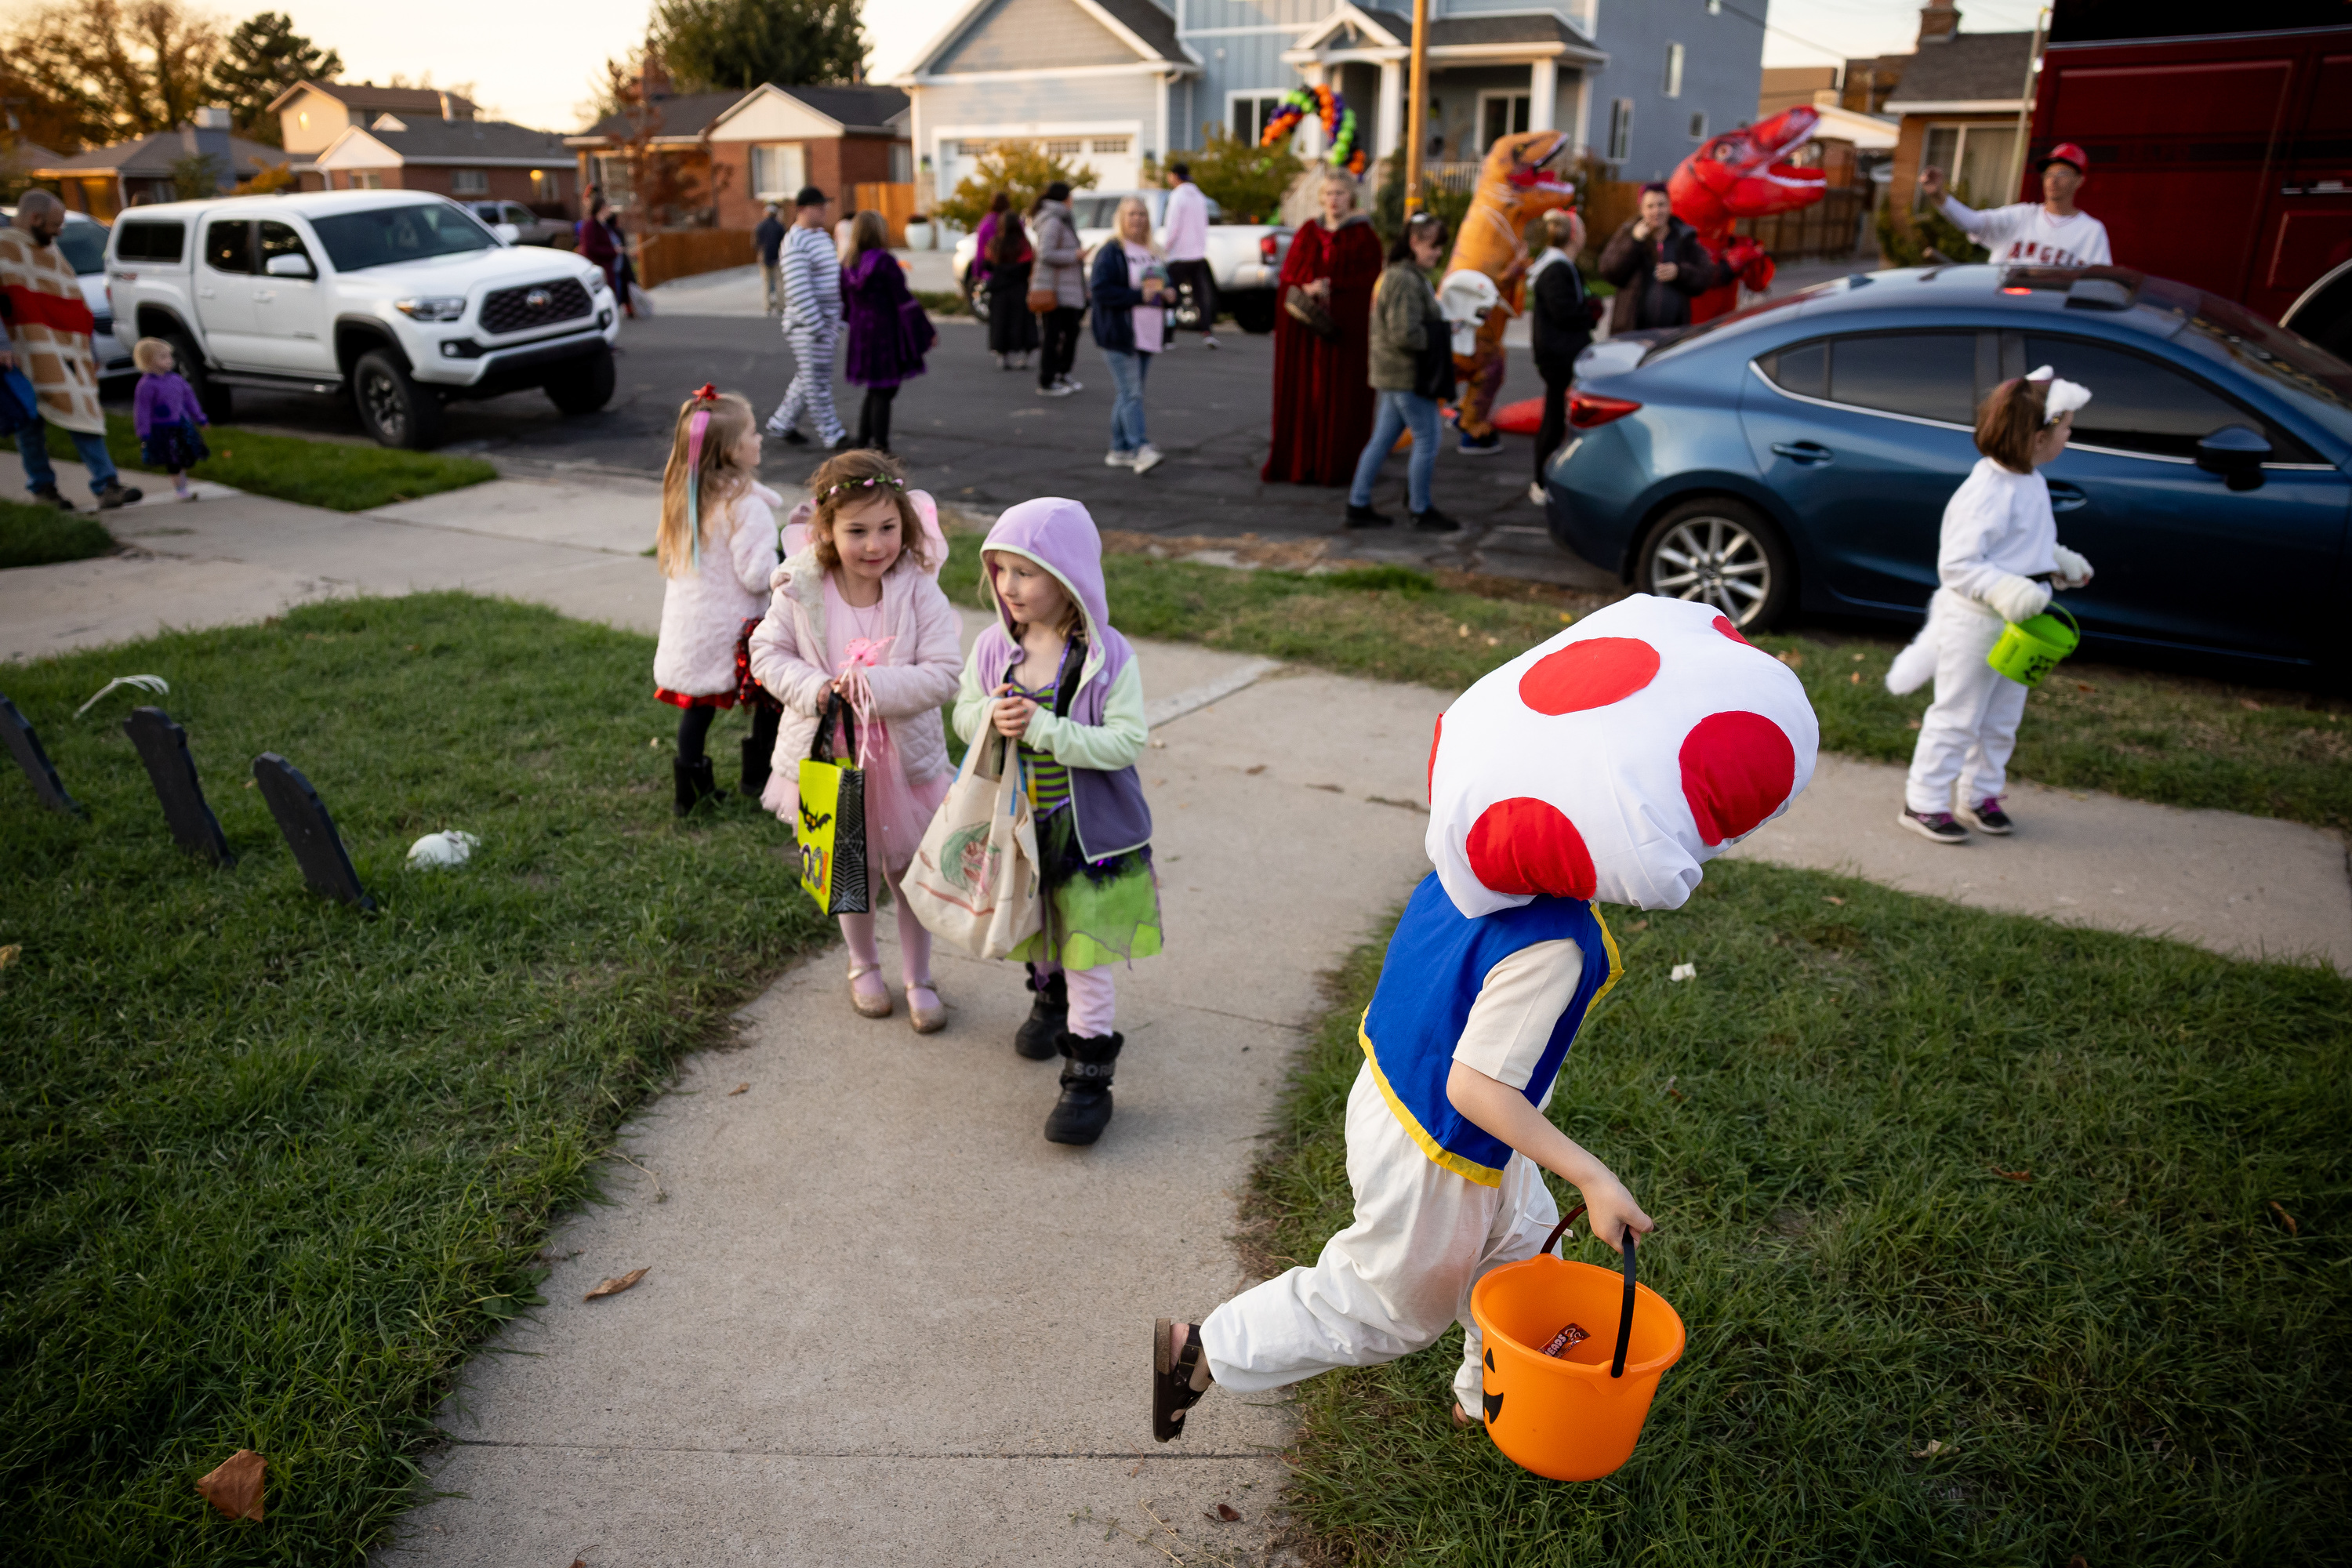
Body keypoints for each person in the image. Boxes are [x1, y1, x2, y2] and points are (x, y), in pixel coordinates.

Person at [1150, 593, 1819, 1443]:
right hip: (1437, 1141)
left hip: (1393, 1089)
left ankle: (1487, 1394)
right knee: (1389, 1306)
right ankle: (1199, 1350)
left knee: (1526, 1246)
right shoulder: (1553, 945)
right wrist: (1594, 1175)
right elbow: (1478, 1086)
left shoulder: (1467, 859)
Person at [952, 498, 1158, 1145]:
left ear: (1068, 577)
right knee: (1036, 927)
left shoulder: (1108, 658)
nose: (1007, 587)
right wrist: (989, 714)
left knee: (1087, 949)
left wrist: (1046, 728)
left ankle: (1087, 1079)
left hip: (1090, 835)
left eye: (1024, 572)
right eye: (1000, 571)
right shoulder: (993, 648)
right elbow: (961, 712)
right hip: (1020, 828)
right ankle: (1049, 996)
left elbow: (1126, 741)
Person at [750, 450, 962, 1033]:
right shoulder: (800, 590)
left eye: (888, 528)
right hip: (827, 751)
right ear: (825, 531)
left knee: (910, 872)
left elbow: (946, 670)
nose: (876, 545)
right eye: (857, 531)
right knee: (848, 867)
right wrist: (819, 689)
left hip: (905, 762)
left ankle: (919, 976)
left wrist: (876, 686)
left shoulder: (918, 589)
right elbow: (767, 654)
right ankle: (862, 964)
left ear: (906, 525)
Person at [1887, 368, 2096, 844]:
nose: (2069, 435)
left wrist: (2058, 563)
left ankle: (1981, 795)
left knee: (2002, 719)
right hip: (1976, 623)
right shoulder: (1986, 491)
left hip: (2022, 627)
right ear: (2038, 436)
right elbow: (1957, 565)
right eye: (2066, 427)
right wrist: (2009, 591)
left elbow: (2026, 544)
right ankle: (1923, 802)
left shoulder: (2031, 481)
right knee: (1958, 715)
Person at [651, 387, 786, 815]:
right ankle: (759, 775)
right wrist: (786, 566)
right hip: (737, 630)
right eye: (753, 431)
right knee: (771, 695)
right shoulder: (746, 507)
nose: (760, 438)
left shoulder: (686, 498)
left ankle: (689, 792)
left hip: (694, 630)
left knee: (698, 709)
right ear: (732, 449)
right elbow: (755, 574)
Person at [0, 191, 140, 511]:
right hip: (23, 350)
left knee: (83, 411)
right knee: (29, 422)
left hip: (66, 349)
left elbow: (69, 297)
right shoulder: (5, 247)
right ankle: (44, 490)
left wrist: (86, 348)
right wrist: (3, 345)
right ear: (35, 219)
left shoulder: (49, 249)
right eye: (54, 225)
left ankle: (107, 485)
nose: (59, 232)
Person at [1262, 172, 1381, 486]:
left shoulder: (1364, 237)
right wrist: (1305, 289)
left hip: (1344, 337)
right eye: (1329, 193)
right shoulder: (1307, 233)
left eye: (1340, 193)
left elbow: (1369, 284)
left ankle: (1338, 464)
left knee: (1341, 399)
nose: (1333, 199)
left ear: (1351, 197)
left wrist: (1332, 287)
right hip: (1307, 336)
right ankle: (1302, 461)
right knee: (1307, 398)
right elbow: (1289, 277)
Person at [1345, 212, 1456, 533]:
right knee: (1427, 440)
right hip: (1407, 376)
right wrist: (1440, 336)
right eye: (1433, 246)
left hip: (1393, 374)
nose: (1438, 253)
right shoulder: (1406, 280)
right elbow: (1404, 333)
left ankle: (1358, 503)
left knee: (1381, 441)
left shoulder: (1405, 275)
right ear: (1414, 243)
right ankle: (1420, 509)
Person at [1920, 143, 2111, 269]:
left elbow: (2100, 288)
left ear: (2079, 181)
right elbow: (1972, 222)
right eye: (2049, 173)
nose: (2053, 180)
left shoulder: (2091, 232)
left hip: (2050, 322)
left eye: (2062, 174)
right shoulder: (2021, 216)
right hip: (2005, 314)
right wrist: (1939, 196)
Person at [766, 185, 851, 450]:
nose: (825, 210)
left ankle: (781, 424)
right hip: (808, 326)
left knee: (808, 378)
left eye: (825, 205)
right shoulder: (795, 242)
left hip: (828, 321)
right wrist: (818, 327)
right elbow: (798, 289)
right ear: (802, 210)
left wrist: (838, 318)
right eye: (819, 206)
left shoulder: (821, 237)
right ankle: (833, 434)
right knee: (818, 380)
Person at [840, 210, 932, 455]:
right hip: (884, 331)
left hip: (861, 332)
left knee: (876, 387)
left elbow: (844, 303)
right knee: (885, 388)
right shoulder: (884, 262)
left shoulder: (849, 263)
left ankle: (864, 440)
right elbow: (903, 300)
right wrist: (925, 331)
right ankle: (880, 446)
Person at [1091, 195, 1169, 475]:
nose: (1138, 219)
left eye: (1142, 214)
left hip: (1148, 331)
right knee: (1132, 393)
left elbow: (1161, 284)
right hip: (1119, 332)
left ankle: (1119, 449)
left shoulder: (1153, 249)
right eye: (1132, 214)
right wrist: (1138, 295)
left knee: (1129, 394)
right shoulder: (1111, 251)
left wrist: (1167, 294)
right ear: (1121, 219)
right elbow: (1099, 290)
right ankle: (1140, 448)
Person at [1526, 208, 1595, 506]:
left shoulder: (1557, 266)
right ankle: (1541, 481)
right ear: (1574, 236)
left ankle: (1547, 478)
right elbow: (1564, 312)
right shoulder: (1558, 269)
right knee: (1554, 418)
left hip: (1557, 352)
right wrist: (1591, 312)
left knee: (1556, 415)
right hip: (1560, 354)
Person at [1597, 183, 1722, 333]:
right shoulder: (1628, 234)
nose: (1656, 211)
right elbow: (1608, 272)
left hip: (1672, 335)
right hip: (1632, 333)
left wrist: (1679, 273)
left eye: (1661, 205)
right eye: (1650, 206)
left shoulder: (1683, 237)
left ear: (1670, 207)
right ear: (1641, 209)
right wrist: (1635, 242)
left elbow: (1706, 275)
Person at [130, 337, 209, 502]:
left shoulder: (176, 380)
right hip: (163, 429)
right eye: (163, 357)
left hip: (181, 425)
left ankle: (183, 486)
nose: (169, 361)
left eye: (169, 356)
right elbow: (142, 410)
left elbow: (189, 400)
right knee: (173, 460)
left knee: (185, 457)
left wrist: (200, 418)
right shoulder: (146, 385)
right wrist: (143, 431)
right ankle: (180, 490)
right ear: (149, 361)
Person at [1031, 183, 1087, 397]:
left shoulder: (1062, 219)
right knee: (1053, 335)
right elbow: (1045, 254)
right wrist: (1075, 256)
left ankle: (1063, 374)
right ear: (1064, 199)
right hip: (1054, 290)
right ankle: (1048, 379)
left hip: (1068, 289)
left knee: (1071, 332)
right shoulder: (1053, 221)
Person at [979, 192, 1039, 372]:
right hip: (1019, 289)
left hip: (999, 290)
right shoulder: (1023, 244)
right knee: (1023, 323)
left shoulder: (994, 244)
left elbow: (986, 264)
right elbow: (1028, 266)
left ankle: (1002, 356)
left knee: (1000, 323)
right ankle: (1027, 355)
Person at [1162, 161, 1217, 349]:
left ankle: (1168, 337)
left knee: (1171, 297)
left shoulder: (1177, 197)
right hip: (1198, 254)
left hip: (1179, 255)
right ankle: (1208, 333)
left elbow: (1172, 227)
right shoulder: (1199, 197)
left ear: (1175, 176)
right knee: (1201, 296)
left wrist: (1165, 248)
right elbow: (1204, 224)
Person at [576, 194, 622, 302]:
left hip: (611, 268)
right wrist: (613, 251)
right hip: (601, 270)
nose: (610, 210)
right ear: (602, 208)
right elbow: (590, 248)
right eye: (608, 207)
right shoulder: (591, 226)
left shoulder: (605, 225)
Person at [754, 202, 787, 314]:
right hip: (778, 258)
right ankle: (780, 305)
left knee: (766, 283)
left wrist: (760, 252)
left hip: (764, 258)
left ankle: (767, 306)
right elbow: (785, 242)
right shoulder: (779, 226)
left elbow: (755, 243)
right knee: (779, 282)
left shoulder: (760, 226)